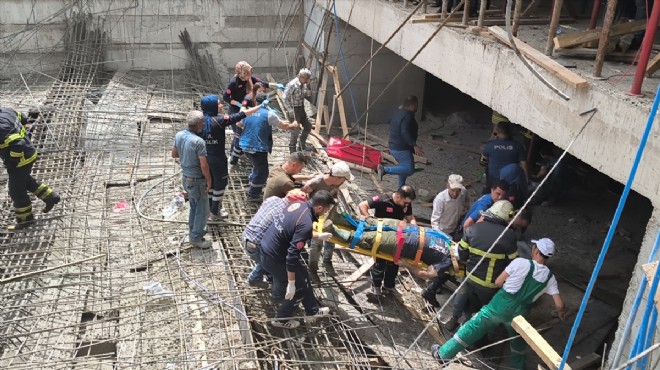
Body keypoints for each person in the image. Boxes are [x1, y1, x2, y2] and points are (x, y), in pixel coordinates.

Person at [433, 238, 565, 370]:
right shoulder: (550, 278)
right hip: (521, 313)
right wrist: (560, 313)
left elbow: (498, 282)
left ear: (536, 250)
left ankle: (443, 354)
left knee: (474, 327)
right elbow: (559, 304)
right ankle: (517, 368)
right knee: (517, 341)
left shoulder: (520, 263)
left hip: (501, 304)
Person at [260, 190, 336, 329]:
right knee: (298, 289)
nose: (326, 213)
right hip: (275, 258)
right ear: (319, 207)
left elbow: (294, 229)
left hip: (268, 247)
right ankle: (280, 320)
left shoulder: (299, 205)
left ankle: (312, 311)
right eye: (326, 210)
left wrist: (318, 236)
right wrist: (291, 283)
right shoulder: (306, 222)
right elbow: (292, 256)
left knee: (305, 277)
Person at [446, 200, 519, 331]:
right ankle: (467, 332)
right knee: (481, 311)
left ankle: (454, 319)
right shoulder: (509, 237)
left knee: (462, 296)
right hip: (489, 286)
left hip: (469, 277)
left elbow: (461, 255)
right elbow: (514, 264)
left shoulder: (472, 230)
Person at [200, 95, 261, 220]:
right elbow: (241, 115)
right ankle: (215, 213)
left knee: (210, 183)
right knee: (220, 184)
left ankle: (211, 208)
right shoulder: (219, 120)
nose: (221, 105)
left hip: (204, 158)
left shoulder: (200, 121)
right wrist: (260, 106)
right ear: (212, 106)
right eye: (218, 104)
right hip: (218, 159)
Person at [0, 108, 60, 231]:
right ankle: (51, 197)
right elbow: (23, 118)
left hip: (21, 159)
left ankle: (25, 220)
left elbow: (18, 143)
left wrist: (13, 162)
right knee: (25, 181)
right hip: (29, 151)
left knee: (16, 191)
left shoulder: (1, 128)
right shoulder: (6, 111)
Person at [242, 190, 308, 297]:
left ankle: (255, 277)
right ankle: (278, 297)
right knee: (281, 271)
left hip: (247, 236)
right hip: (257, 246)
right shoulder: (285, 214)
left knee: (266, 259)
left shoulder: (273, 199)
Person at [239, 93, 299, 201]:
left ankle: (252, 179)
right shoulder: (269, 114)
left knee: (256, 166)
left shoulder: (248, 112)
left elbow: (239, 123)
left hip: (244, 145)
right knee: (263, 172)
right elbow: (284, 126)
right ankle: (253, 195)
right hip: (258, 148)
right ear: (266, 102)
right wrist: (293, 125)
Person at [358, 185, 417, 295]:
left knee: (394, 263)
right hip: (382, 237)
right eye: (405, 202)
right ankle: (375, 286)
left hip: (396, 238)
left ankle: (389, 285)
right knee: (380, 262)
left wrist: (414, 227)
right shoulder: (383, 200)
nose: (407, 205)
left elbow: (410, 218)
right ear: (398, 196)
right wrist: (370, 221)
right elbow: (362, 205)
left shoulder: (407, 204)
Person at [223, 61, 285, 165]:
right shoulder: (234, 82)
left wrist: (276, 85)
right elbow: (225, 97)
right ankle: (233, 155)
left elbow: (263, 83)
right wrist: (238, 104)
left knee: (246, 130)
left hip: (249, 109)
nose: (249, 75)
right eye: (247, 73)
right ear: (242, 72)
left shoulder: (251, 79)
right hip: (236, 110)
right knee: (238, 133)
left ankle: (243, 152)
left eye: (250, 73)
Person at [302, 161, 354, 280]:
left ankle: (327, 260)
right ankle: (312, 269)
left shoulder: (336, 184)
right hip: (316, 216)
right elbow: (303, 194)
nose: (344, 182)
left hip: (329, 213)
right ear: (337, 177)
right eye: (343, 180)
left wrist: (334, 201)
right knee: (317, 243)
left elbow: (335, 194)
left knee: (331, 238)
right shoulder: (316, 182)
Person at [172, 111, 216, 249]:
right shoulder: (199, 142)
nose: (203, 124)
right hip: (197, 180)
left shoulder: (179, 135)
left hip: (186, 178)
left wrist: (186, 156)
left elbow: (174, 154)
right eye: (202, 122)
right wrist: (209, 180)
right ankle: (196, 238)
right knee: (202, 210)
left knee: (194, 207)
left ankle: (194, 231)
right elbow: (203, 165)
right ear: (198, 124)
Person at [377, 96, 422, 189]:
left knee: (403, 167)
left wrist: (397, 110)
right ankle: (384, 170)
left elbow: (389, 120)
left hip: (393, 145)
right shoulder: (407, 116)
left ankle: (400, 189)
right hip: (401, 148)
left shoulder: (398, 112)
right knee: (409, 169)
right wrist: (414, 145)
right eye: (416, 104)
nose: (417, 106)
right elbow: (404, 132)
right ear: (412, 105)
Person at [481, 121, 528, 194]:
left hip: (493, 177)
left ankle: (487, 186)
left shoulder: (490, 145)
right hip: (511, 179)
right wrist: (526, 178)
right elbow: (524, 164)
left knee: (487, 165)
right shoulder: (518, 145)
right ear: (510, 132)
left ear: (497, 132)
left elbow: (483, 161)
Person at [283, 68, 313, 153]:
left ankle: (301, 146)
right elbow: (284, 98)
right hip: (294, 110)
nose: (307, 80)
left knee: (308, 126)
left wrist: (308, 85)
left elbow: (308, 94)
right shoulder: (292, 84)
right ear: (302, 77)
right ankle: (292, 151)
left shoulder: (304, 84)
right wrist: (290, 110)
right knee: (295, 131)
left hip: (301, 108)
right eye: (307, 78)